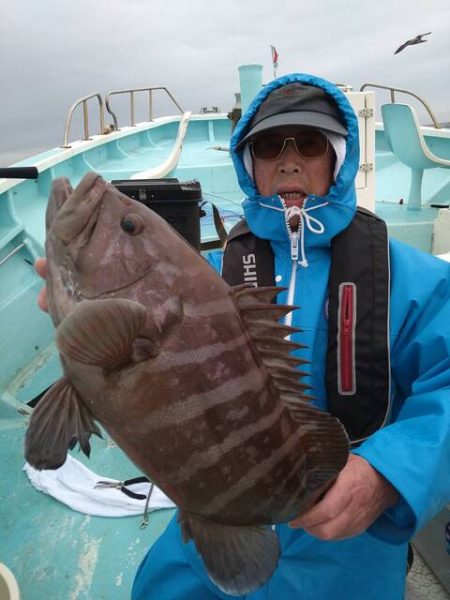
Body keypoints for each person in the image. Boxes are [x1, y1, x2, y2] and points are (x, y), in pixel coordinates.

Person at [36, 73, 450, 600]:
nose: (291, 160)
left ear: (339, 159)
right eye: (270, 145)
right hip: (205, 527)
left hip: (349, 541)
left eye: (312, 143)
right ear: (249, 164)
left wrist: (387, 475)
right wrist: (76, 321)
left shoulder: (414, 281)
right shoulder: (205, 272)